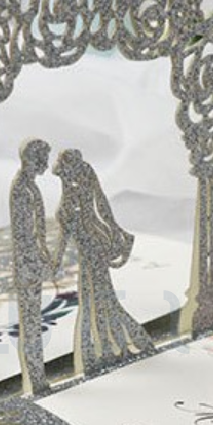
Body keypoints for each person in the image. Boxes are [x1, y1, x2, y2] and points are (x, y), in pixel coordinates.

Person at [53, 148, 154, 375]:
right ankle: (114, 346)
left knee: (95, 300)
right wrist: (115, 231)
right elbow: (101, 206)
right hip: (92, 249)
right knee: (101, 299)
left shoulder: (73, 201)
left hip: (93, 251)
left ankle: (99, 352)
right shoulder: (77, 197)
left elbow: (67, 233)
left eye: (62, 172)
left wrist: (56, 261)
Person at [9, 139, 54, 396]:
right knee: (30, 324)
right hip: (28, 268)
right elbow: (25, 234)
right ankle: (35, 379)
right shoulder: (22, 189)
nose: (46, 165)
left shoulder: (30, 186)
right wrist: (38, 261)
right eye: (42, 160)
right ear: (31, 159)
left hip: (33, 264)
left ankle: (38, 376)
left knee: (34, 324)